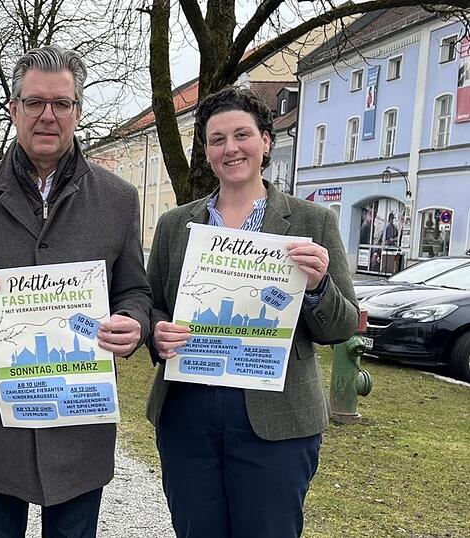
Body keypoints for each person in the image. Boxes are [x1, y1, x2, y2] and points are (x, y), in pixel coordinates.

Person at [0, 45, 152, 538]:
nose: (48, 115)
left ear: (77, 112)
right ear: (14, 109)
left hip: (79, 419)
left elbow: (134, 290)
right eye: (35, 102)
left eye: (61, 103)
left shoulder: (117, 198)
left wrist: (133, 323)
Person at [145, 86, 359, 537]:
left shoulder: (311, 222)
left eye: (242, 135)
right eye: (217, 139)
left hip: (277, 419)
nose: (231, 148)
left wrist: (318, 284)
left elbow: (341, 326)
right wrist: (156, 333)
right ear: (206, 152)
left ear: (266, 141)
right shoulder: (174, 225)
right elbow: (152, 306)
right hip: (187, 414)